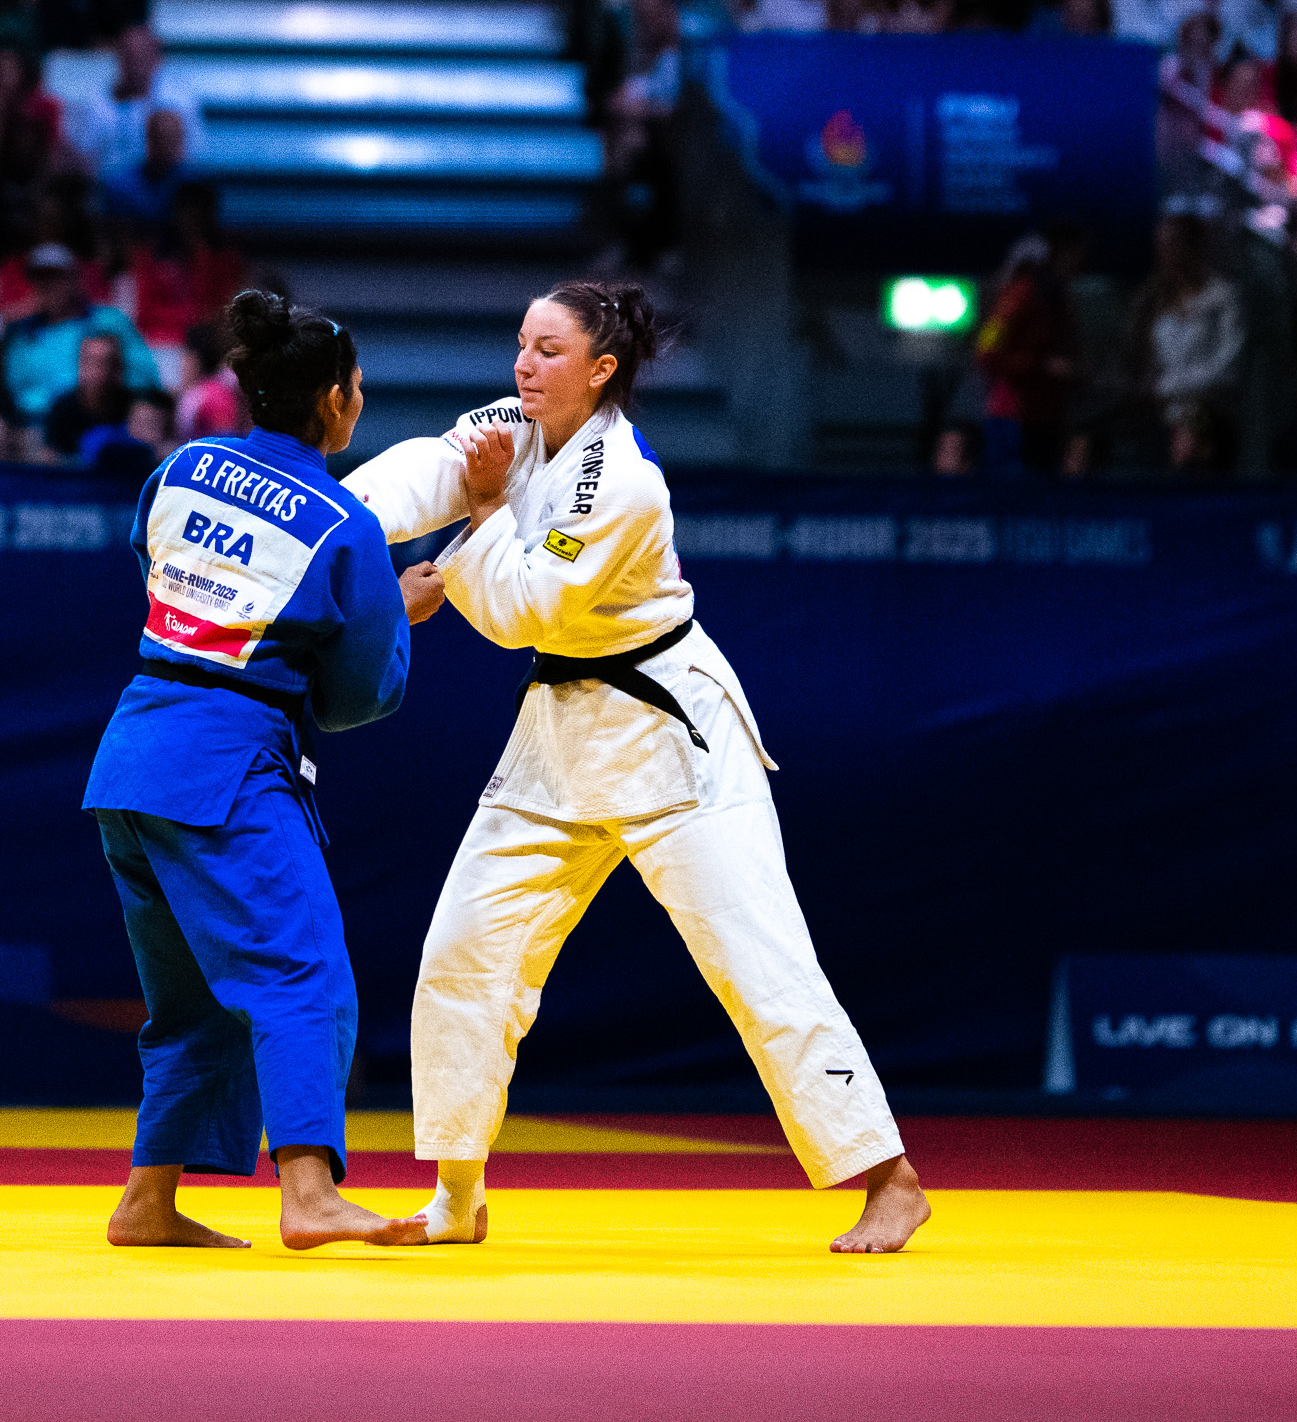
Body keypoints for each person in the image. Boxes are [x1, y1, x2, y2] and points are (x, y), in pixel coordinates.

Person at [343, 281, 928, 1254]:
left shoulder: (620, 480)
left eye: (548, 350)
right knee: (465, 953)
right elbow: (425, 471)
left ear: (600, 369)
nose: (524, 365)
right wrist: (331, 532)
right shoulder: (516, 425)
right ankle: (456, 1194)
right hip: (558, 736)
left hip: (670, 732)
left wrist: (484, 515)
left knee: (757, 961)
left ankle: (888, 1177)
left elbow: (528, 610)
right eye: (521, 344)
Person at [83, 288, 427, 1254]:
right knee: (300, 973)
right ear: (332, 400)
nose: (361, 399)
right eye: (358, 386)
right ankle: (310, 1192)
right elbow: (358, 696)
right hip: (226, 771)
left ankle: (147, 1201)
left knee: (194, 1000)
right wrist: (396, 610)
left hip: (132, 756)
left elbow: (162, 573)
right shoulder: (344, 523)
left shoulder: (181, 466)